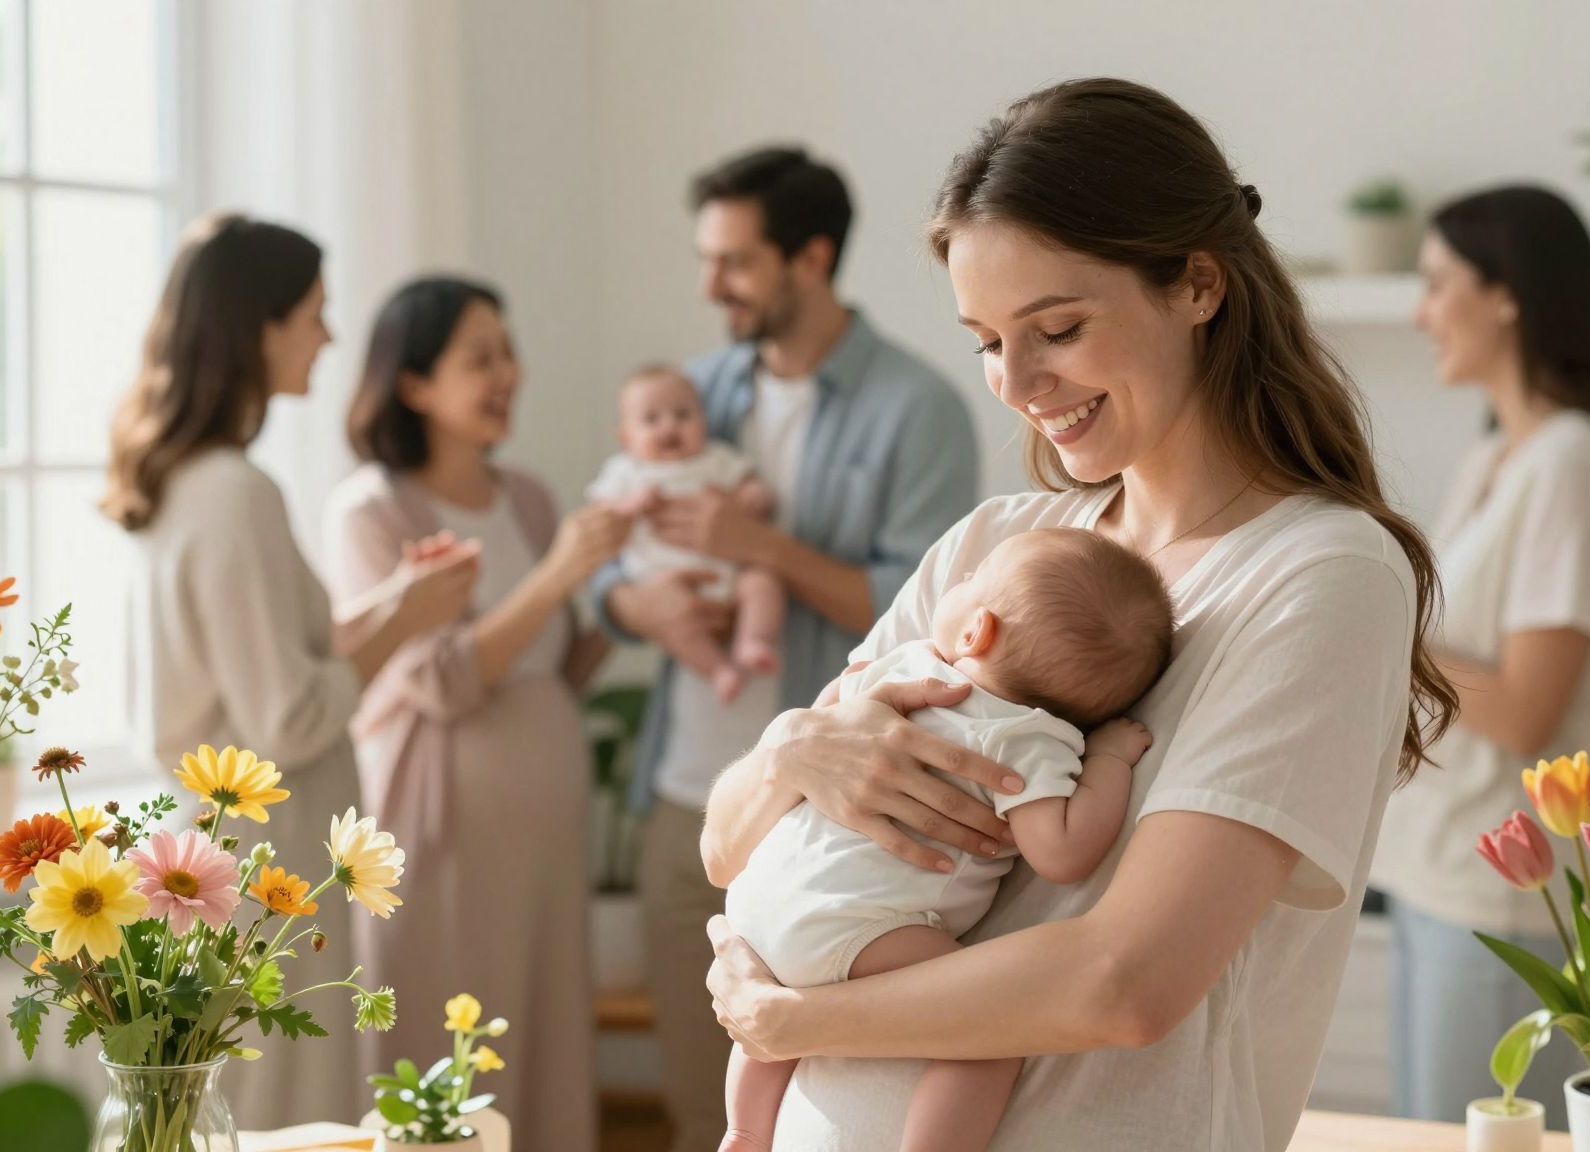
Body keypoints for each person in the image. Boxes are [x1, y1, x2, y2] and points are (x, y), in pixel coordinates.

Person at [696, 78, 1458, 1151]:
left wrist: (789, 1019)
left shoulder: (1316, 574)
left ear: (1196, 284)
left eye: (1054, 327)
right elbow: (725, 846)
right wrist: (794, 749)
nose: (1015, 381)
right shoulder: (995, 547)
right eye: (985, 340)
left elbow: (1125, 980)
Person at [588, 146, 978, 1152]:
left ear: (809, 258)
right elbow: (602, 560)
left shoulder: (916, 408)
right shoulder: (693, 391)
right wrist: (642, 606)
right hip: (688, 796)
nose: (710, 286)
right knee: (700, 1103)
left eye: (735, 262)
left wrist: (761, 550)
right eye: (705, 260)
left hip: (831, 822)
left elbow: (925, 610)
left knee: (827, 1104)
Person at [105, 215, 481, 1126]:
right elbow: (289, 717)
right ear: (260, 326)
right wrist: (405, 623)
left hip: (225, 858)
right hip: (260, 870)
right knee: (274, 1121)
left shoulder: (189, 482)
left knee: (230, 1113)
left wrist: (396, 601)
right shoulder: (235, 493)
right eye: (315, 313)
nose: (329, 336)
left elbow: (266, 656)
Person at [1370, 185, 1590, 1129]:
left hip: (1504, 897)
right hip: (1439, 870)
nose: (1421, 313)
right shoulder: (1500, 455)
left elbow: (1530, 707)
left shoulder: (1577, 463)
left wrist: (1375, 628)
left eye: (1436, 285)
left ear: (1508, 296)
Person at [721, 526, 1171, 1152]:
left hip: (765, 904)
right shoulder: (1032, 739)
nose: (955, 581)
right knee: (991, 1036)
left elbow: (825, 717)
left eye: (969, 582)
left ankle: (743, 1130)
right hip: (860, 927)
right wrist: (1111, 761)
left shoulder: (901, 668)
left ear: (973, 632)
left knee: (778, 1005)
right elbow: (1063, 853)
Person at [325, 275, 630, 1152]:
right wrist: (559, 576)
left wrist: (622, 592)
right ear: (414, 383)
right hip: (439, 837)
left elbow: (557, 665)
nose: (506, 374)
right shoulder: (373, 509)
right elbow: (440, 680)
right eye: (478, 357)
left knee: (539, 1041)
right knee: (442, 1050)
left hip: (542, 843)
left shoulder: (528, 497)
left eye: (507, 351)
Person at [586, 364, 784, 703]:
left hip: (729, 574)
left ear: (703, 421)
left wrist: (750, 498)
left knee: (762, 584)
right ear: (626, 438)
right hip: (666, 586)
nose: (669, 426)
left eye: (683, 414)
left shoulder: (714, 459)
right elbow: (600, 514)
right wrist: (631, 504)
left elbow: (752, 487)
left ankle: (753, 639)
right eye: (651, 419)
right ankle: (718, 670)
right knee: (678, 632)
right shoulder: (626, 472)